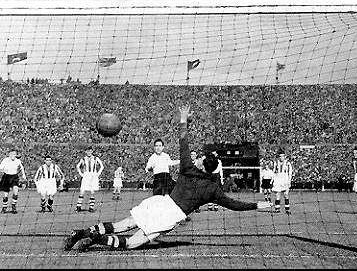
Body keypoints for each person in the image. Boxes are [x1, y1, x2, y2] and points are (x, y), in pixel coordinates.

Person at [64, 104, 271, 252]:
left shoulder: (188, 167)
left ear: (201, 164)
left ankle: (81, 232)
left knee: (123, 224)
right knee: (131, 243)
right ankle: (96, 239)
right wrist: (257, 206)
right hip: (171, 215)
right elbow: (234, 205)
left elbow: (183, 141)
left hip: (160, 202)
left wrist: (183, 119)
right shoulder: (213, 189)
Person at [0, 148, 27, 214]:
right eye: (11, 154)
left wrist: (24, 180)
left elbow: (22, 171)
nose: (13, 155)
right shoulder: (5, 160)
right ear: (9, 155)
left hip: (14, 177)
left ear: (16, 155)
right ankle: (4, 208)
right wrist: (3, 170)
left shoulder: (18, 161)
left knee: (16, 191)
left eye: (14, 154)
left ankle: (13, 206)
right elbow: (0, 168)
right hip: (6, 177)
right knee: (6, 194)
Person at [75, 146, 104, 212]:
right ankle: (78, 207)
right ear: (86, 152)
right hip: (86, 175)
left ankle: (91, 207)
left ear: (92, 151)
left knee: (92, 192)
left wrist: (97, 174)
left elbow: (102, 166)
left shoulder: (96, 158)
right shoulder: (83, 159)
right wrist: (81, 174)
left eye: (90, 151)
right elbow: (78, 166)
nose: (89, 152)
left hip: (93, 176)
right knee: (82, 191)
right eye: (87, 151)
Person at [272, 149, 293, 214]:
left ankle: (287, 209)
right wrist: (272, 181)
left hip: (285, 180)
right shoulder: (276, 163)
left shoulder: (288, 163)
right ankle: (277, 209)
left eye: (282, 156)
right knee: (277, 195)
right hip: (278, 180)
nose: (281, 158)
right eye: (280, 156)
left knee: (286, 195)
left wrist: (289, 181)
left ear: (284, 156)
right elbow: (273, 172)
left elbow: (290, 173)